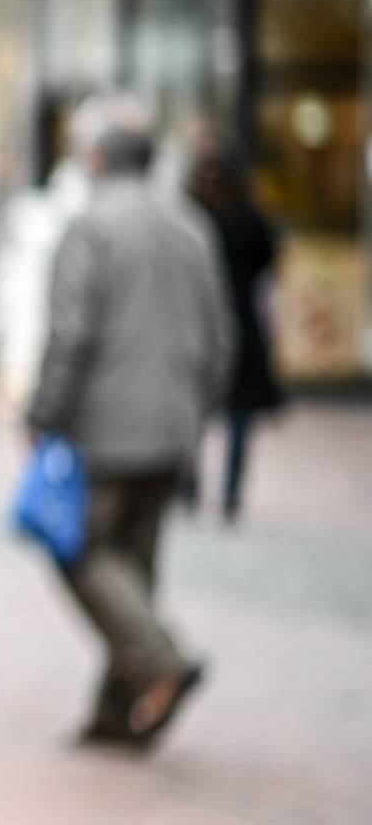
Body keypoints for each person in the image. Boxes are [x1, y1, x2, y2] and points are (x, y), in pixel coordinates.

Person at [27, 125, 233, 750]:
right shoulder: (191, 227)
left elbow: (70, 335)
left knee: (79, 551)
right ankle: (117, 714)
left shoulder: (89, 228)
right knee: (134, 565)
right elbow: (222, 336)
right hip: (173, 427)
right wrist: (196, 412)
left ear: (96, 159)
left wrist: (44, 415)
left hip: (103, 429)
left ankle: (161, 661)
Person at [185, 143, 283, 523]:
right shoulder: (241, 216)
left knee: (203, 411)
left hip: (206, 320)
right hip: (233, 319)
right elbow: (268, 260)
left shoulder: (195, 217)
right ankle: (225, 493)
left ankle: (199, 488)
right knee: (230, 416)